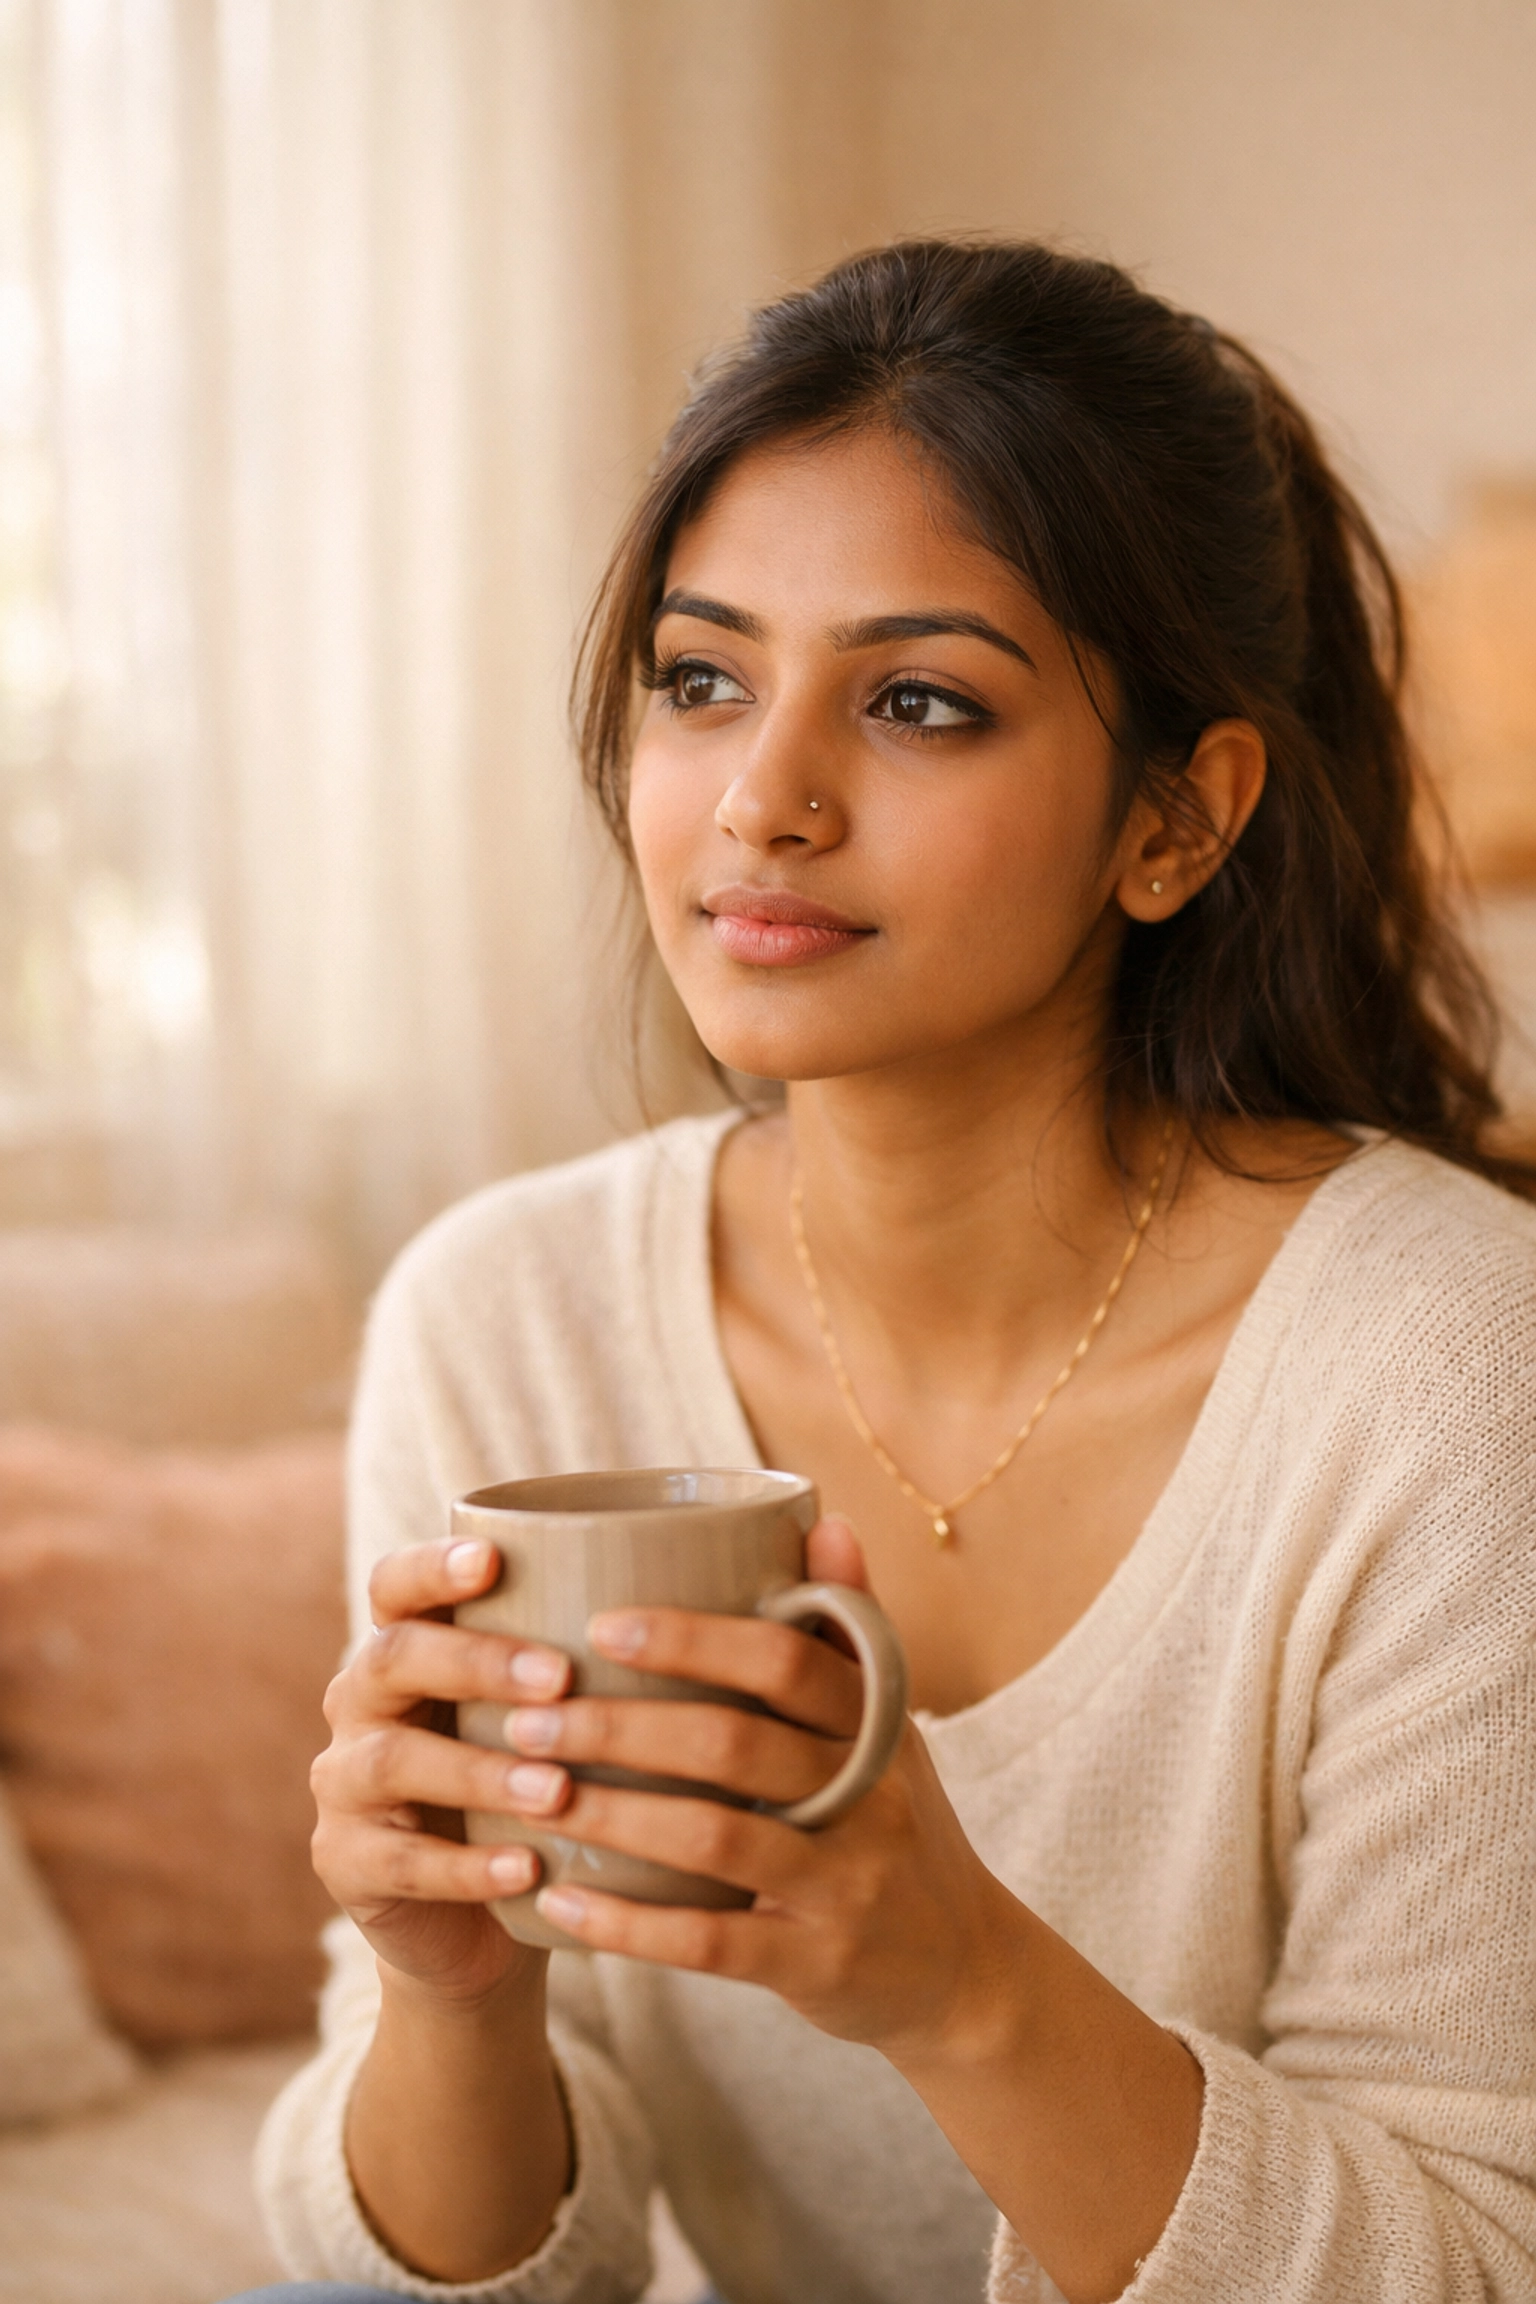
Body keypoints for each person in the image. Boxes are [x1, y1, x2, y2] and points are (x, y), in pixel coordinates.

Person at [250, 240, 1536, 2304]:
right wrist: (452, 1987)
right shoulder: (506, 1319)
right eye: (700, 679)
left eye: (919, 701)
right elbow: (454, 2278)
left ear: (1179, 824)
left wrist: (960, 1986)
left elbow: (1476, 2269)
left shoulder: (1456, 1371)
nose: (762, 801)